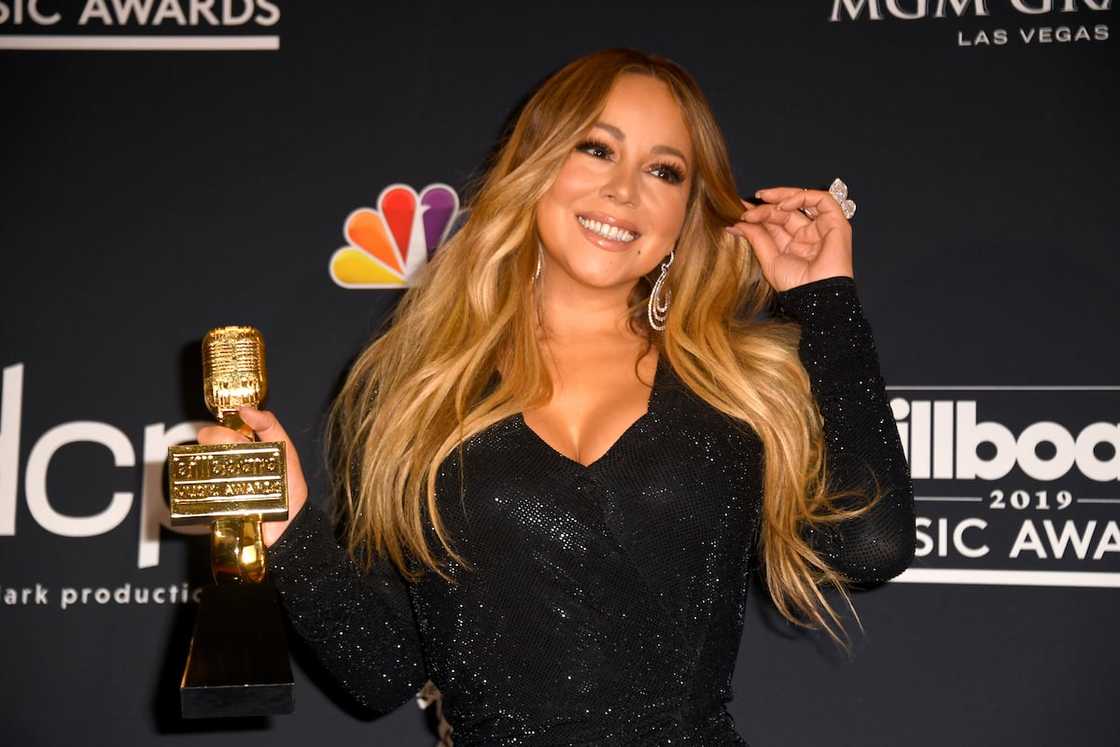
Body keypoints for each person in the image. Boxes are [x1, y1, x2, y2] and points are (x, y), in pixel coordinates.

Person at [199, 48, 916, 746]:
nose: (626, 191)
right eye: (597, 150)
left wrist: (825, 303)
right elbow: (381, 671)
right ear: (536, 165)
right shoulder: (424, 390)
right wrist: (284, 523)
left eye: (664, 170)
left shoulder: (734, 380)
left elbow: (868, 546)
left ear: (687, 212)